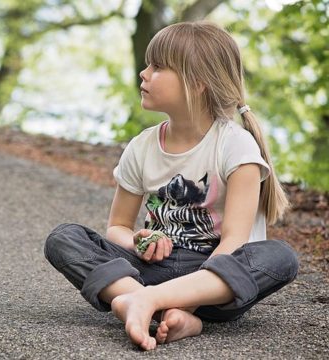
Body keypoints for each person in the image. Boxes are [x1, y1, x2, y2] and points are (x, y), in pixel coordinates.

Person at [44, 21, 298, 351]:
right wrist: (138, 241)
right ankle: (148, 304)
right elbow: (118, 226)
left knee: (280, 257)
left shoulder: (236, 146)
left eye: (158, 67)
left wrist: (186, 303)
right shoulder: (142, 146)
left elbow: (234, 243)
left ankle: (140, 303)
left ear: (198, 83)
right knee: (64, 238)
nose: (144, 73)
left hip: (213, 285)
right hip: (149, 270)